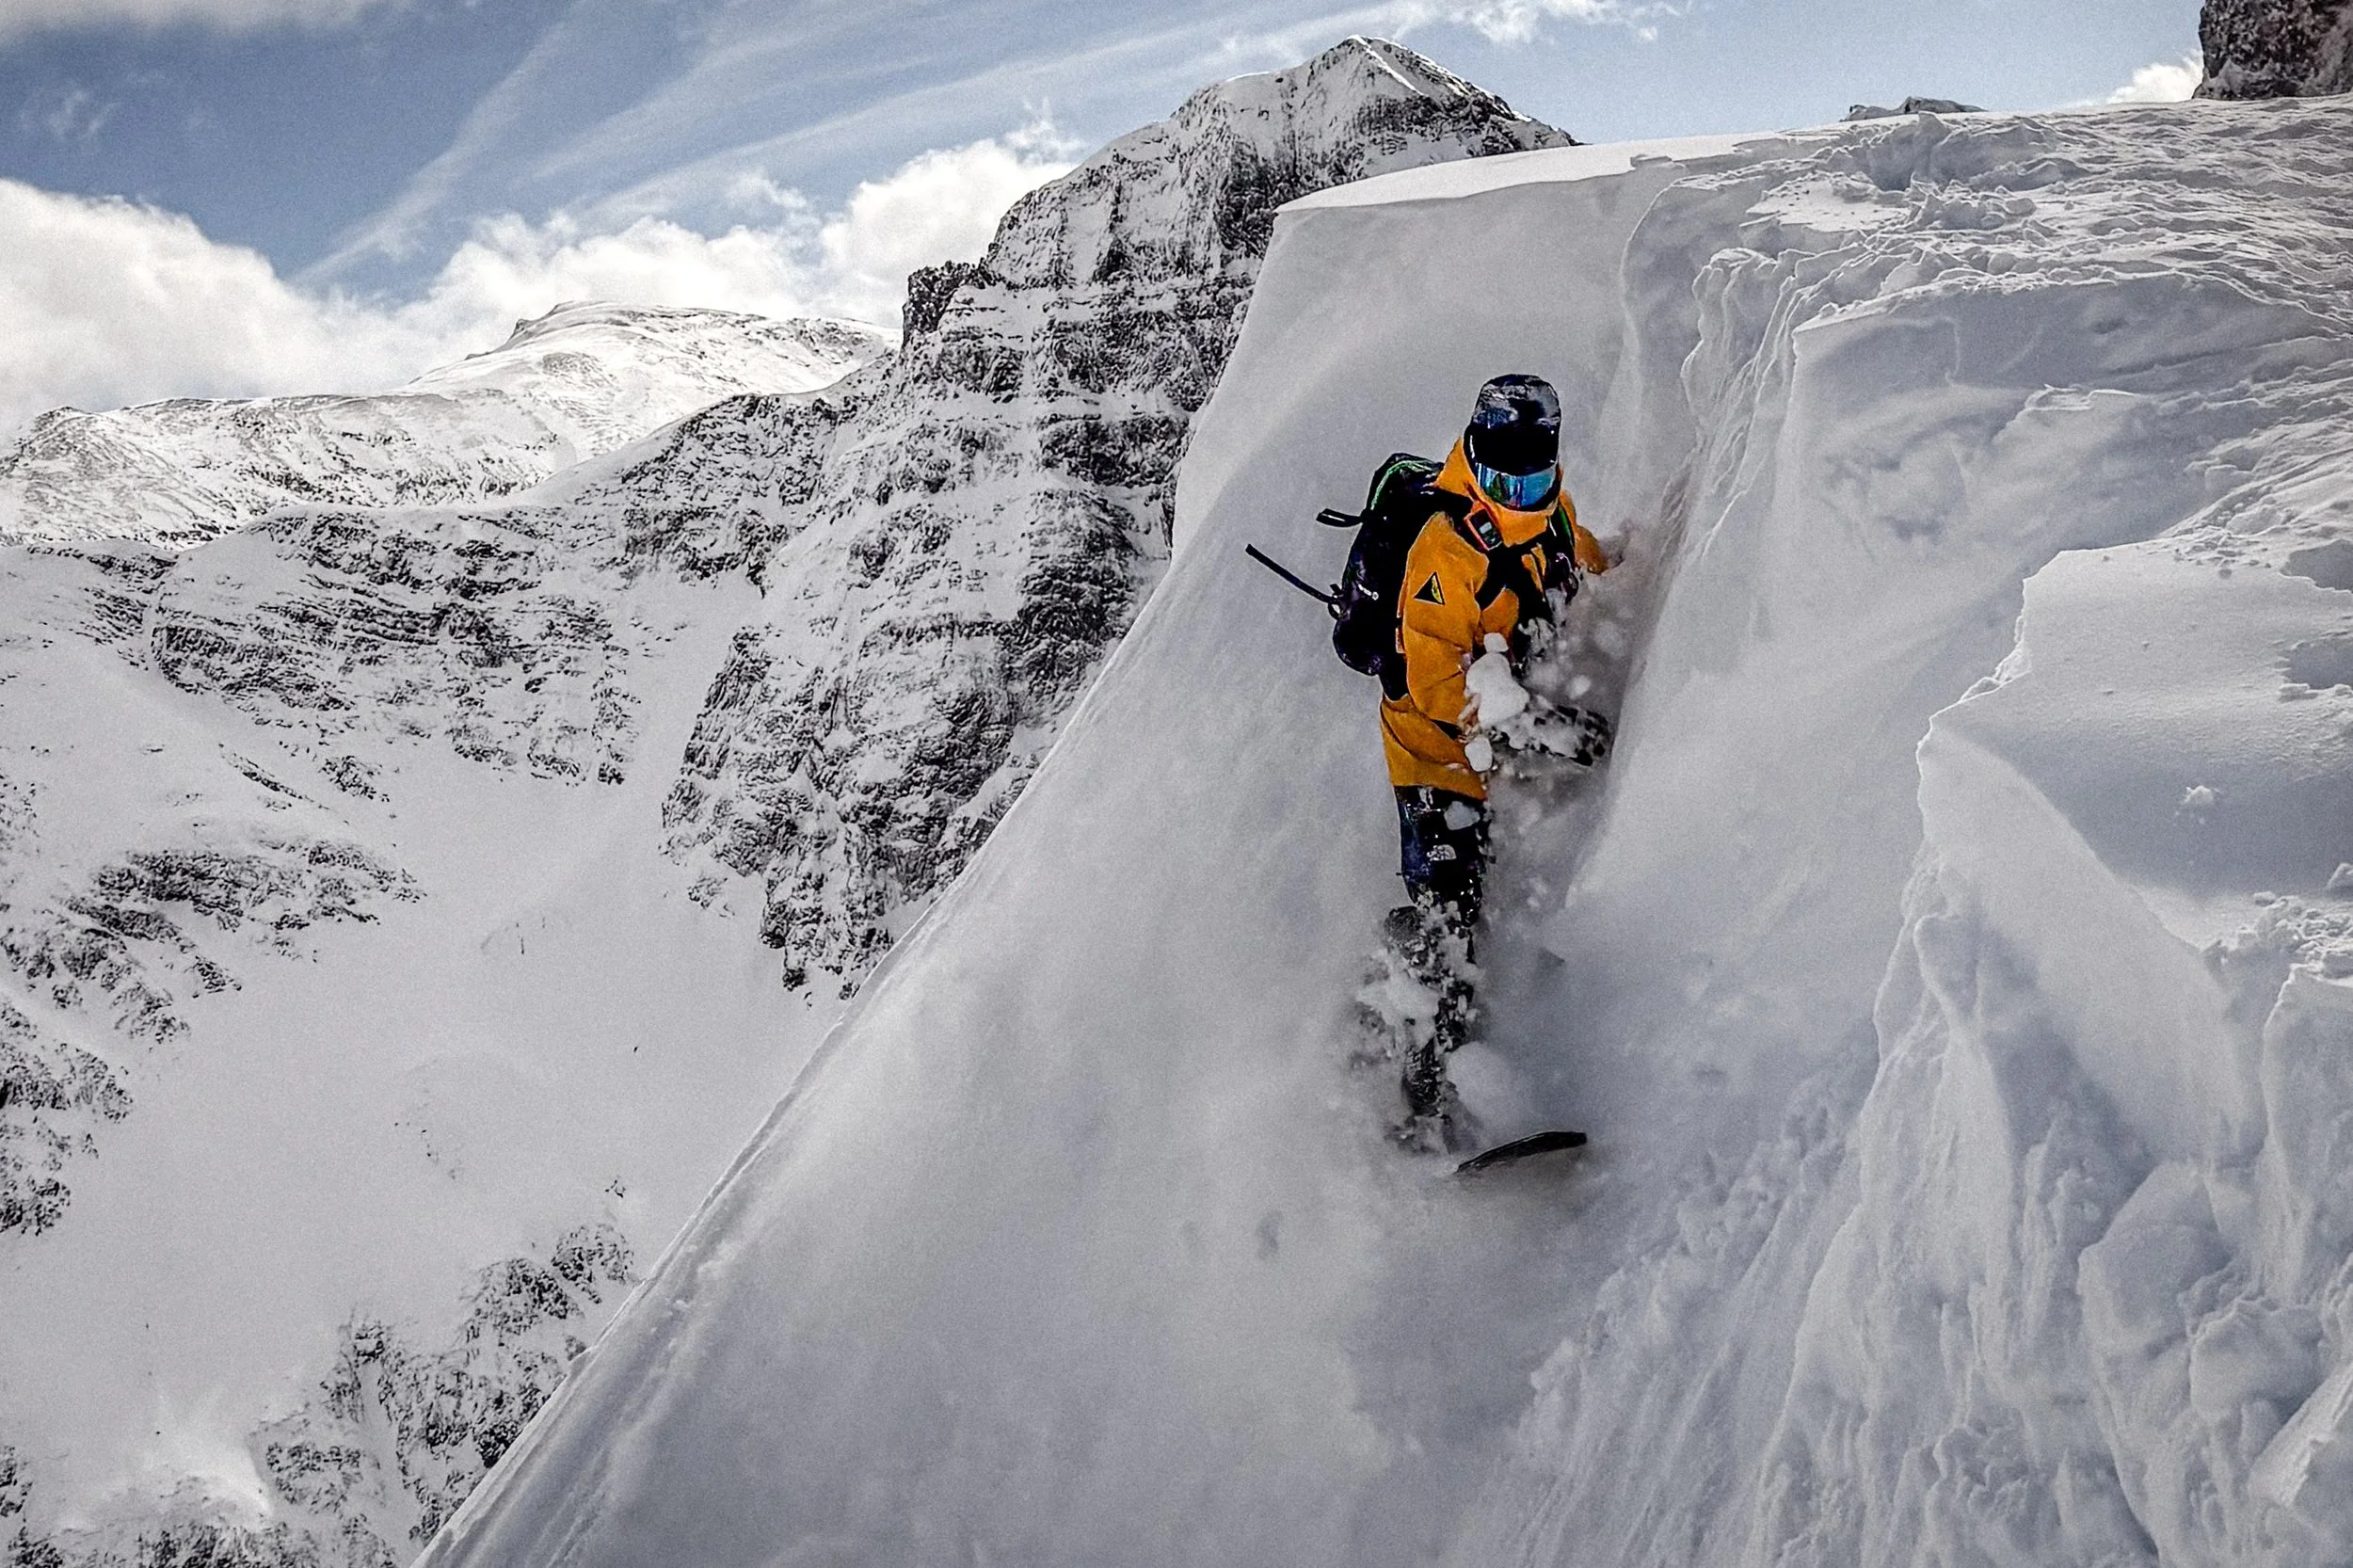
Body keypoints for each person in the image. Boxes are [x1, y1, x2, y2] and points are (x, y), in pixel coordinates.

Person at [1380, 374, 1609, 1146]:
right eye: (1507, 483)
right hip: (1432, 756)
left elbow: (1588, 565)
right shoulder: (1445, 552)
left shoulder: (1552, 515)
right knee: (1452, 920)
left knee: (1498, 904)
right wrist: (1537, 726)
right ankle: (1425, 1114)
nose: (1522, 497)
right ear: (1475, 461)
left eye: (1535, 481)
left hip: (1501, 753)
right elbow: (1434, 684)